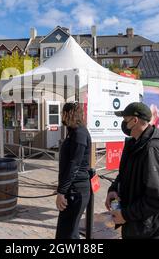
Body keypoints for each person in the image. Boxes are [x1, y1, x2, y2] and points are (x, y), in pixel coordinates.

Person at [105, 102, 159, 239]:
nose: (123, 124)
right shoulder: (135, 144)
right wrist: (113, 189)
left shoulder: (153, 149)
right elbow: (125, 174)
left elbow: (158, 197)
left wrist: (126, 215)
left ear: (135, 120)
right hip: (138, 225)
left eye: (125, 120)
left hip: (149, 228)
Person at [55, 102, 91, 239]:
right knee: (66, 231)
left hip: (76, 191)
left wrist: (62, 191)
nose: (61, 116)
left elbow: (73, 165)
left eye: (62, 113)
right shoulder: (74, 132)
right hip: (72, 189)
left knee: (68, 234)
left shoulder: (79, 134)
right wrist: (61, 187)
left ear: (69, 114)